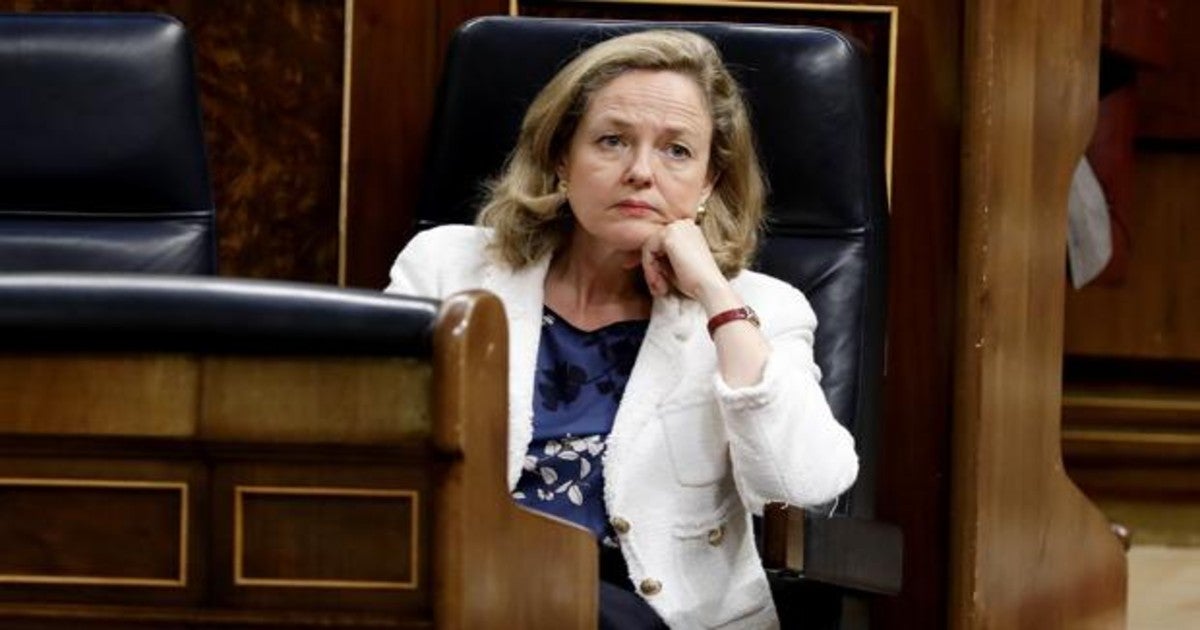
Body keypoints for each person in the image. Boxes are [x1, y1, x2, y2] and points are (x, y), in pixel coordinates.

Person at [386, 29, 858, 629]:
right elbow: (374, 445)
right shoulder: (446, 268)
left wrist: (716, 297)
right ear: (562, 158)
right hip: (456, 586)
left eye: (676, 151)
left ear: (709, 182)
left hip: (641, 610)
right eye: (612, 141)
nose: (640, 172)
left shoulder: (762, 308)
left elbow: (802, 486)